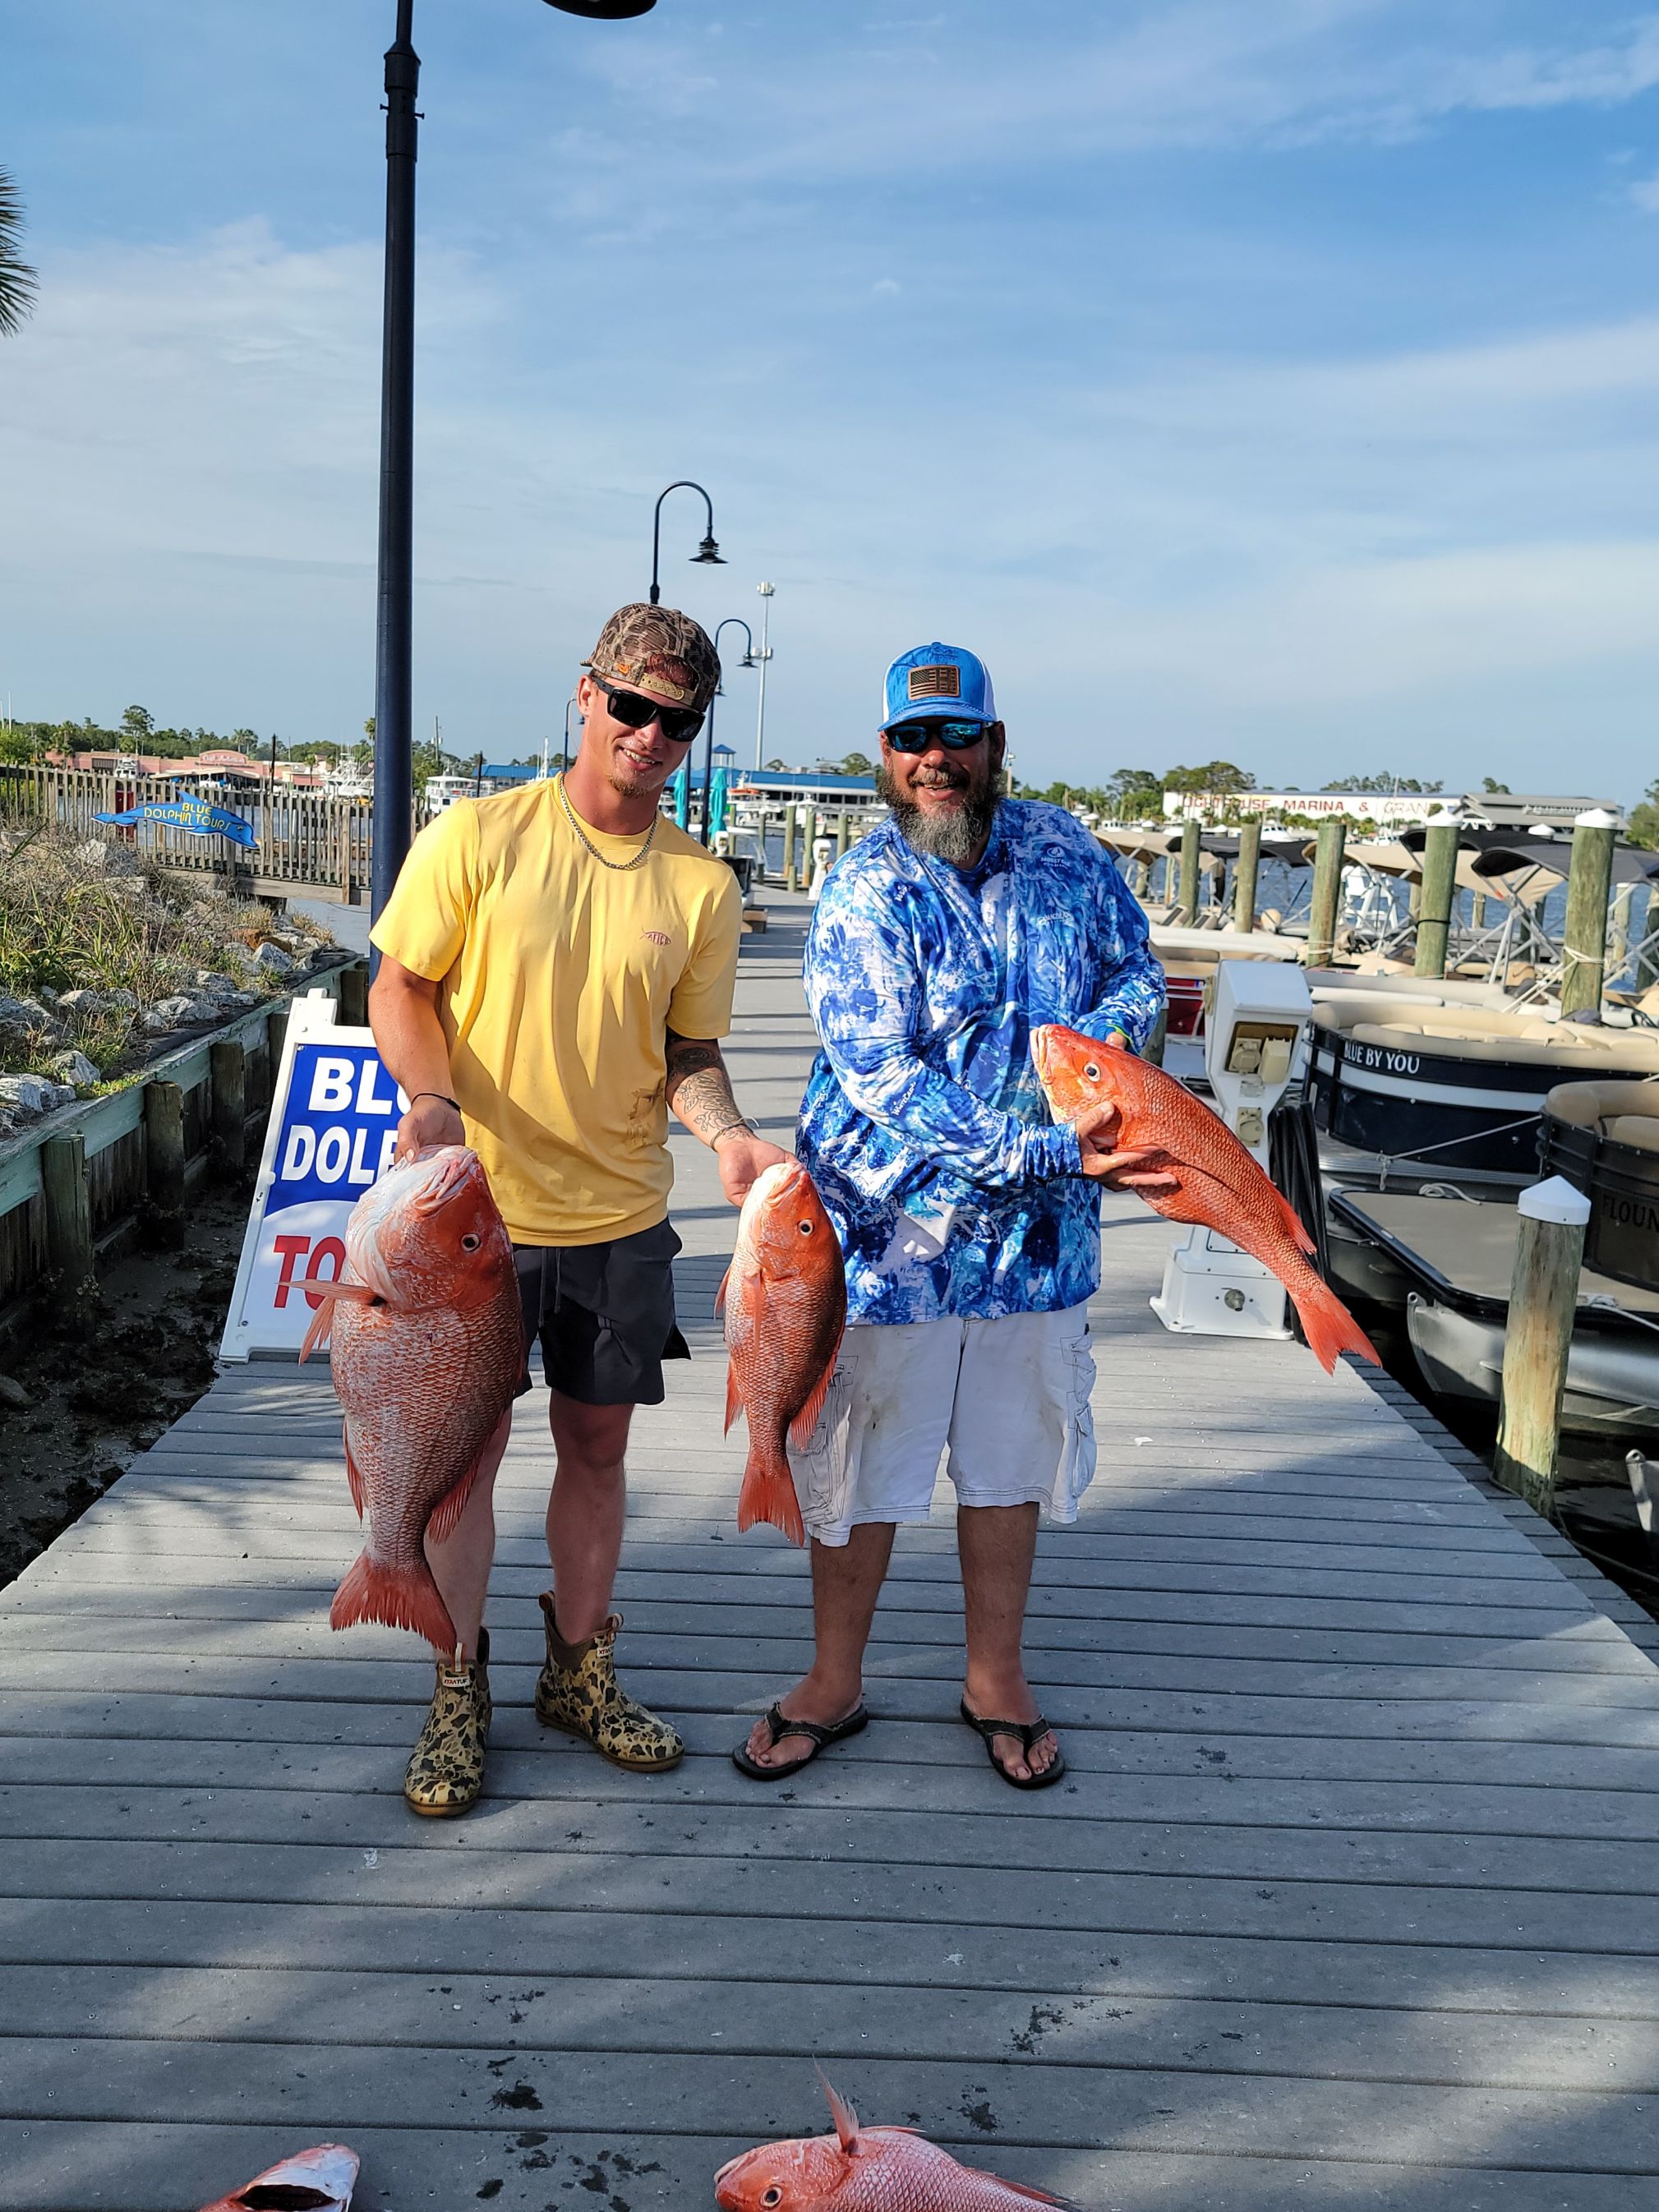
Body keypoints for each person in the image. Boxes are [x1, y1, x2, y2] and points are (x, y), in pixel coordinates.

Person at [370, 602, 792, 1817]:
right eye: (634, 705)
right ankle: (458, 1682)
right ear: (587, 694)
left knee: (598, 1450)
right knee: (461, 1461)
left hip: (619, 1221)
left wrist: (725, 1135)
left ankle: (577, 1671)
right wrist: (433, 1101)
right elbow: (399, 986)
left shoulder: (701, 886)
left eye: (679, 721)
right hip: (470, 1221)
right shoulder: (479, 836)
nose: (651, 734)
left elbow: (689, 1050)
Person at [735, 641, 1171, 1790]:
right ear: (884, 755)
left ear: (995, 744)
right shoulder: (860, 890)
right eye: (913, 740)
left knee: (1010, 1459)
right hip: (888, 1240)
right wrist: (1043, 1142)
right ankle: (834, 1678)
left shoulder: (1069, 850)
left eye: (957, 736)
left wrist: (1097, 1050)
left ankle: (994, 1675)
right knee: (863, 1456)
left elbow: (1138, 970)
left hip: (1039, 1247)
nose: (936, 760)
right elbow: (880, 1071)